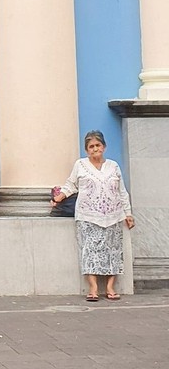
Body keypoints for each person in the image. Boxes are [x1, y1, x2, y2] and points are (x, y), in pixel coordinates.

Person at [52, 129, 135, 301]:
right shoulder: (80, 165)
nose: (95, 149)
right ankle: (94, 288)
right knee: (89, 251)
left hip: (113, 216)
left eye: (98, 145)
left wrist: (128, 213)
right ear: (86, 150)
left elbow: (122, 191)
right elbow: (71, 185)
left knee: (113, 252)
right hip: (88, 216)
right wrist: (59, 197)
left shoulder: (113, 166)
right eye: (91, 146)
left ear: (104, 146)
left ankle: (111, 288)